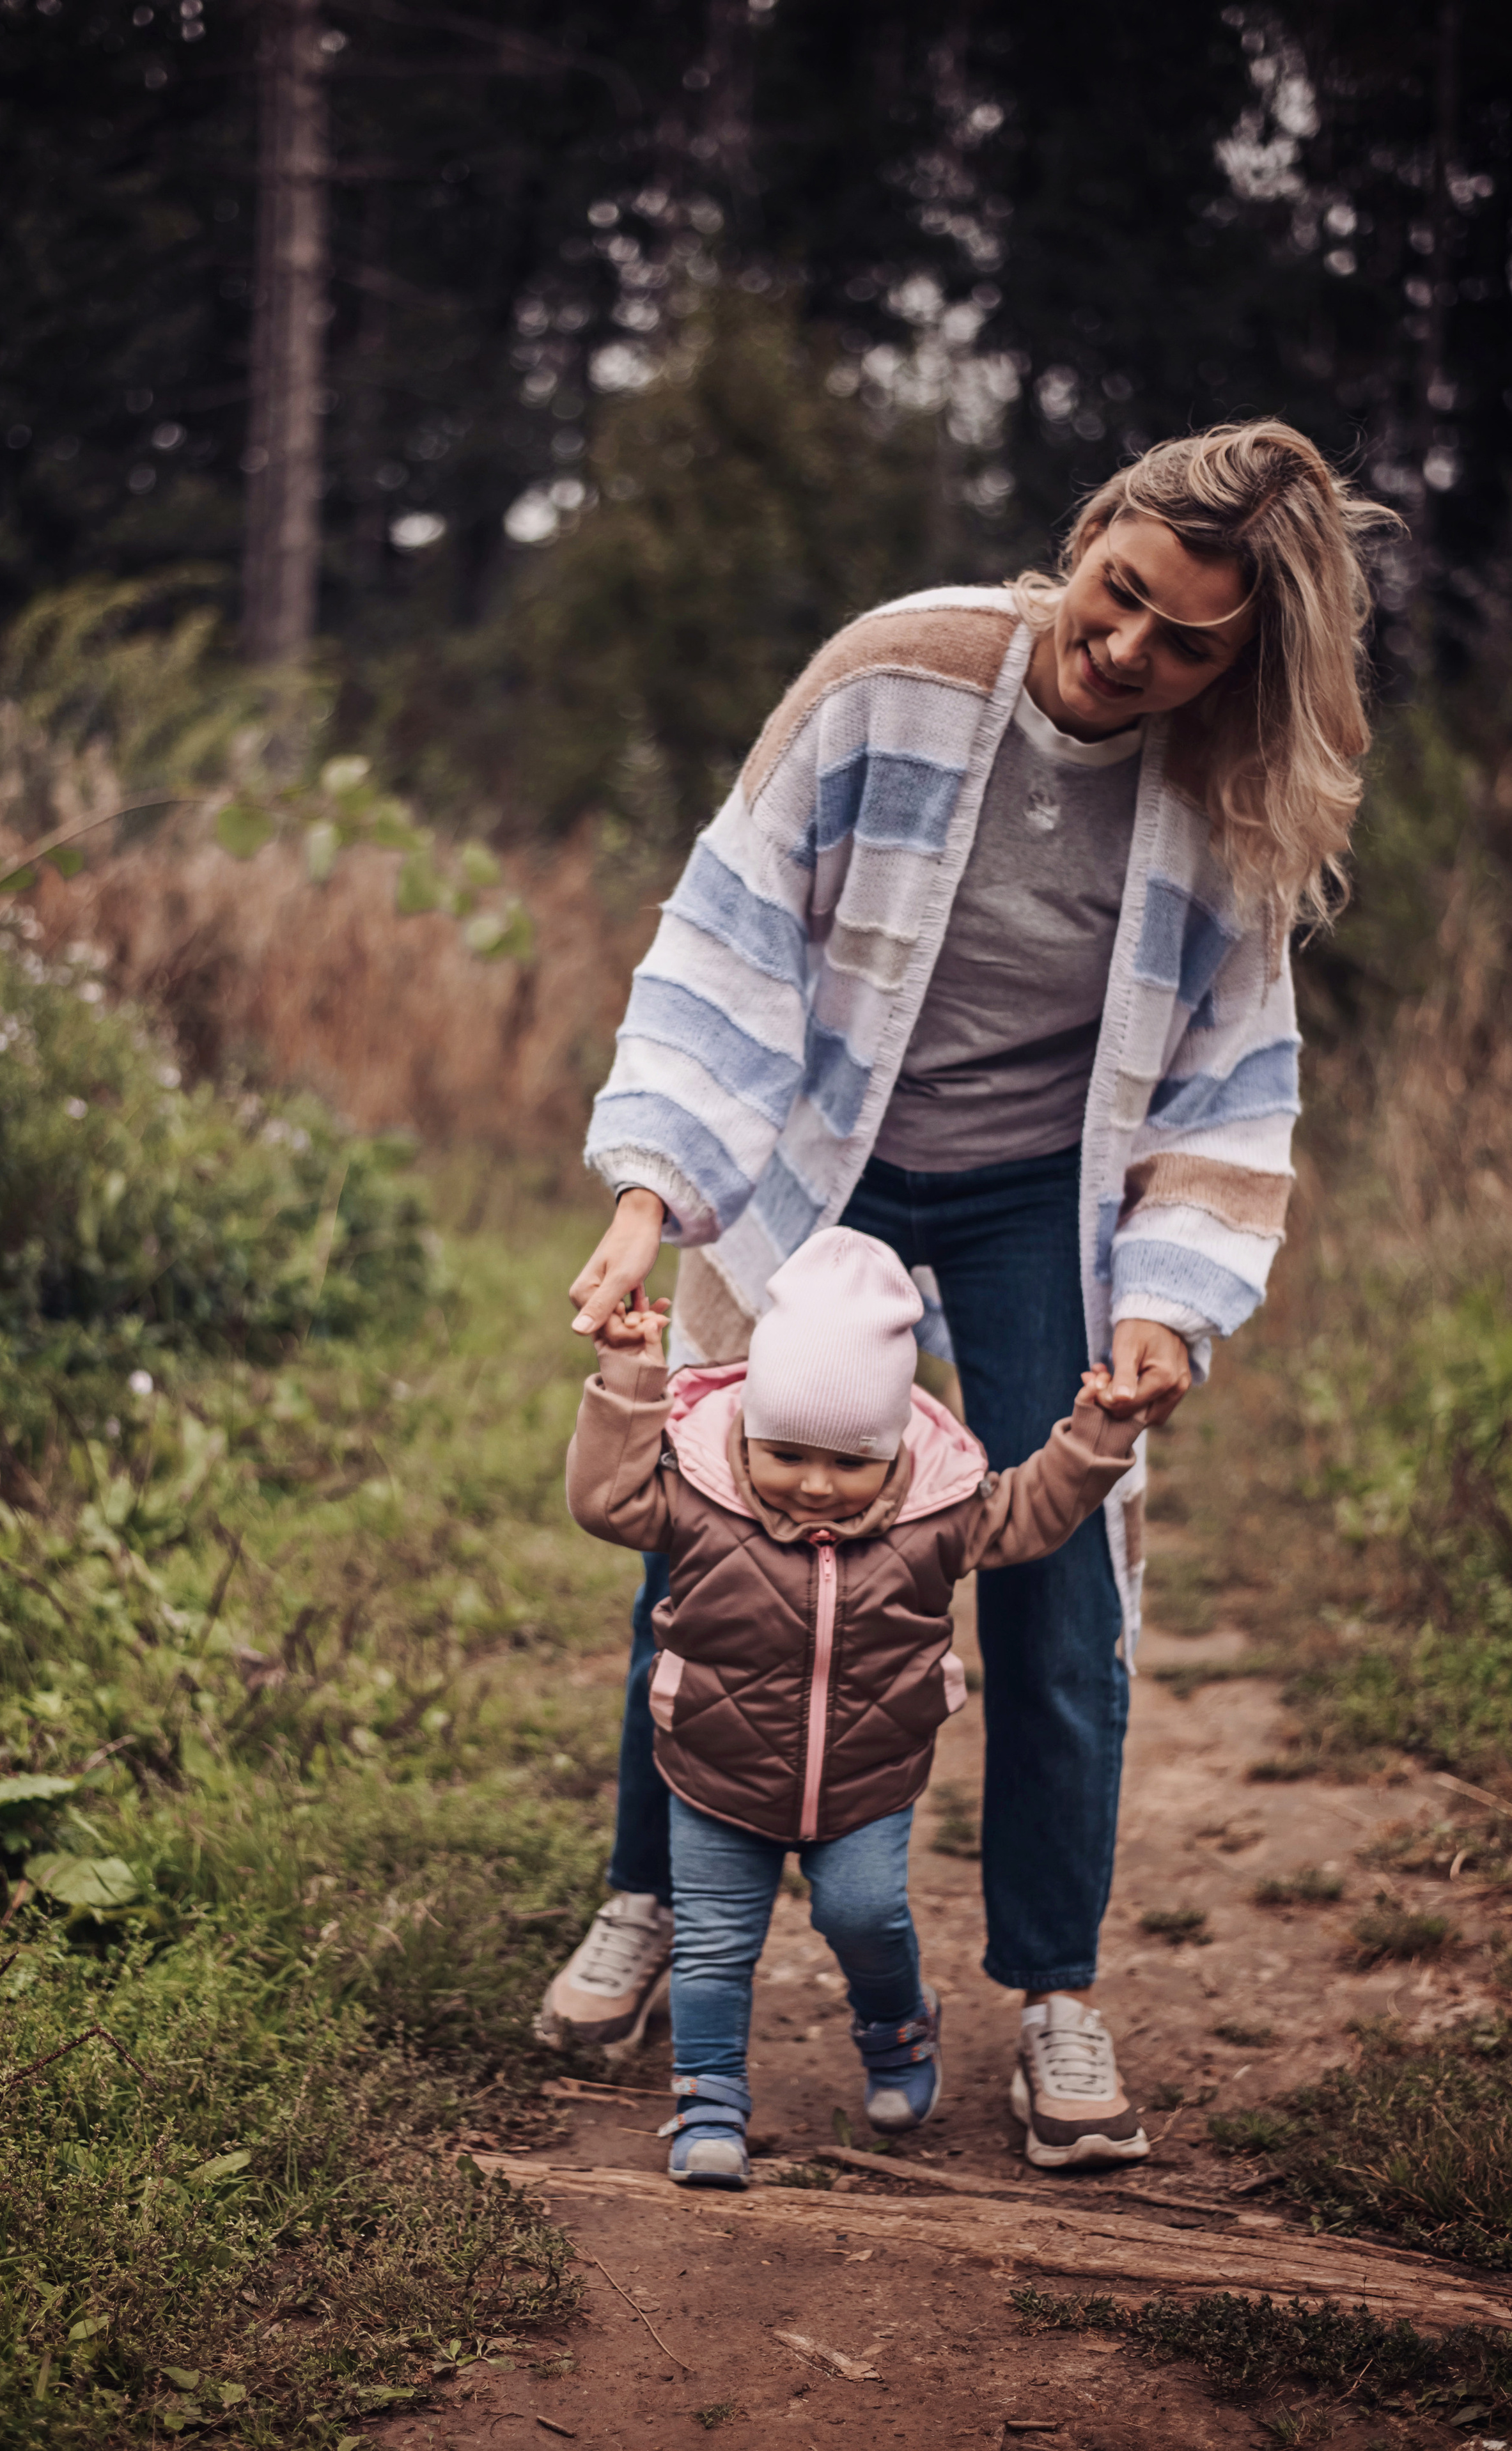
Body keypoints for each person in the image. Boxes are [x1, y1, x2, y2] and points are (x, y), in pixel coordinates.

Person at [538, 419, 1394, 2169]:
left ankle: (1056, 1994)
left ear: (1243, 661)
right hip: (819, 1156)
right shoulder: (897, 674)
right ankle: (645, 1897)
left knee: (1055, 1579)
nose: (1132, 647)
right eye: (1120, 591)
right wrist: (651, 1200)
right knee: (717, 1514)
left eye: (1191, 639)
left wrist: (1165, 1299)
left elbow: (1234, 1081)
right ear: (1085, 540)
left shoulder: (1227, 797)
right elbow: (730, 929)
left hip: (1035, 1195)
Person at [566, 1227, 1144, 2188]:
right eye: (785, 1452)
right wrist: (628, 1375)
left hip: (869, 1782)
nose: (815, 1484)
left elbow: (1037, 1511)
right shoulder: (702, 1494)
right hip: (714, 1771)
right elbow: (603, 1497)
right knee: (715, 1945)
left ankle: (898, 2025)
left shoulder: (939, 1512)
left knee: (865, 1915)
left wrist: (1099, 1435)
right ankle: (709, 2102)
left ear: (894, 1451)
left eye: (849, 1461)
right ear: (748, 1424)